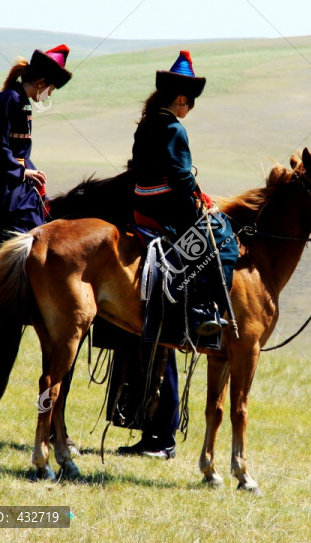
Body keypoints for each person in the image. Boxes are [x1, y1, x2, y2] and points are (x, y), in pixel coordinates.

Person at [117, 51, 238, 459]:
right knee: (221, 235)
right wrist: (199, 205)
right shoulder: (174, 128)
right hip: (168, 210)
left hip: (140, 209)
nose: (189, 104)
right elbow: (182, 177)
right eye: (189, 98)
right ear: (180, 98)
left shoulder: (146, 123)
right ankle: (206, 313)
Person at [0, 45, 72, 234]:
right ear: (42, 82)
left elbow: (19, 153)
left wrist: (31, 172)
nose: (49, 94)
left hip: (13, 178)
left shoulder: (22, 101)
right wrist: (22, 172)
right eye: (51, 89)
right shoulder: (9, 98)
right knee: (21, 229)